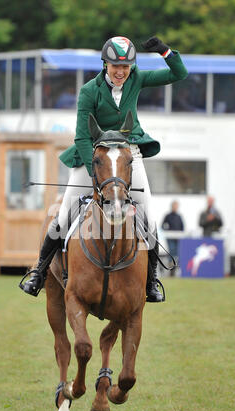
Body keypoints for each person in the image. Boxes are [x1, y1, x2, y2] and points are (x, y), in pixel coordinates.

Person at [20, 35, 188, 301]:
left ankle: (151, 281)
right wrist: (95, 173)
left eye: (125, 67)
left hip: (127, 155)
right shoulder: (89, 91)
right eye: (115, 66)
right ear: (105, 65)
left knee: (149, 217)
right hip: (94, 157)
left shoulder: (137, 79)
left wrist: (166, 51)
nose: (120, 72)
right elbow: (81, 138)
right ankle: (38, 273)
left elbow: (179, 74)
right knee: (63, 217)